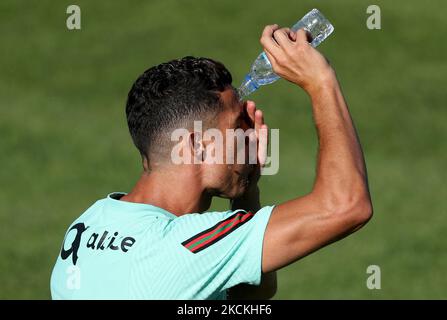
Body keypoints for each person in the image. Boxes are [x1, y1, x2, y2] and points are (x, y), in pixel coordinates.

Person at [50, 25, 373, 299]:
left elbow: (246, 292)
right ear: (197, 145)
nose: (247, 133)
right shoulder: (186, 244)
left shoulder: (91, 222)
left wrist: (244, 188)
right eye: (236, 125)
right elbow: (347, 207)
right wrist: (321, 83)